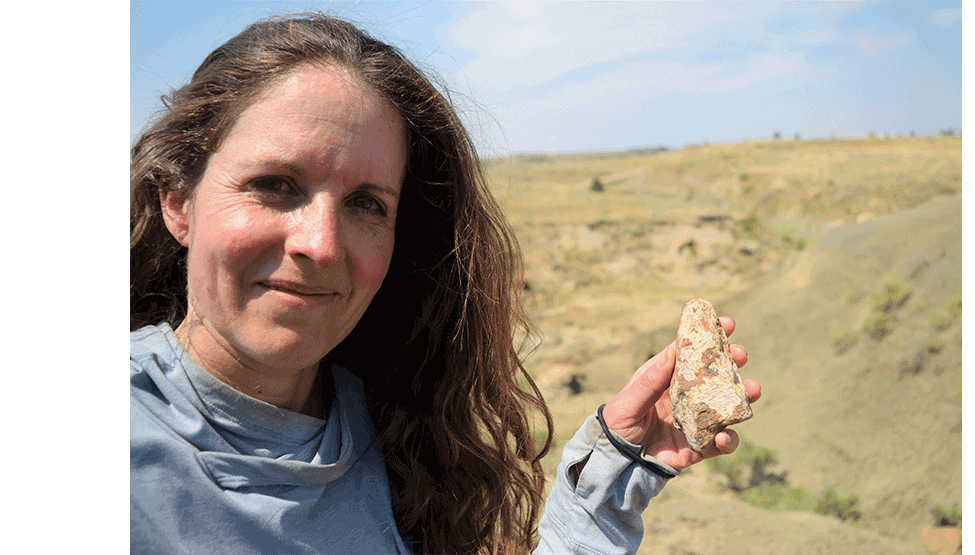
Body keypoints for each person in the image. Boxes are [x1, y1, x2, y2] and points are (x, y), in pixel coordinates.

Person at [130, 12, 761, 555]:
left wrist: (609, 477)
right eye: (274, 186)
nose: (319, 244)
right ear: (177, 202)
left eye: (366, 204)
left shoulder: (396, 437)